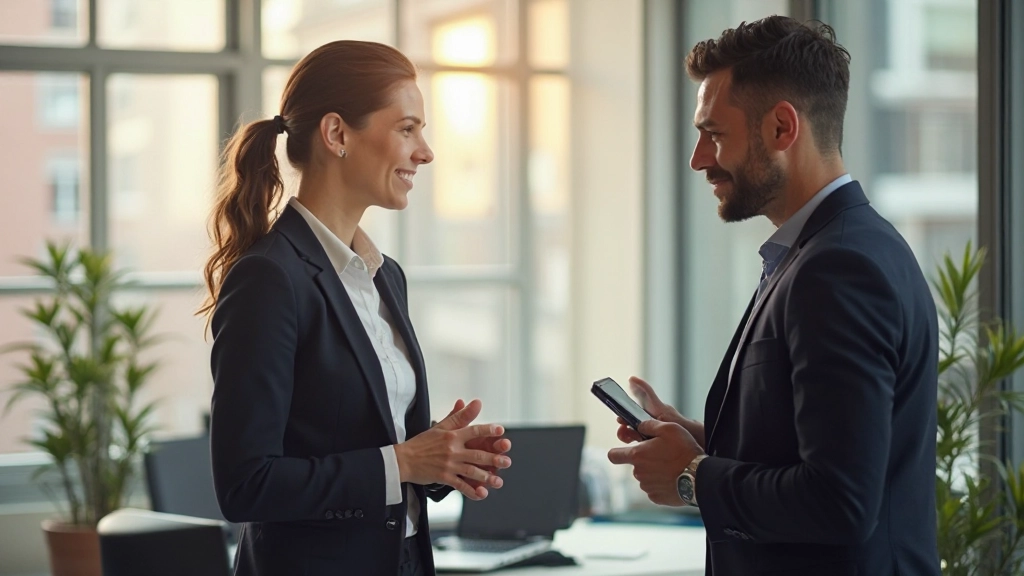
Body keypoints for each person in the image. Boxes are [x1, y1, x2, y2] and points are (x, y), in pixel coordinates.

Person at [607, 16, 939, 576]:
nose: (698, 159)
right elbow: (825, 445)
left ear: (782, 128)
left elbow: (841, 501)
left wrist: (693, 477)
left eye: (714, 134)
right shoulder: (826, 251)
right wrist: (703, 441)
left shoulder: (838, 268)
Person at [200, 40, 512, 576]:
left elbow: (370, 447)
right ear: (337, 134)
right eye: (407, 128)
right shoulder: (269, 279)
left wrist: (442, 457)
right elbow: (245, 486)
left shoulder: (385, 276)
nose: (426, 151)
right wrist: (404, 461)